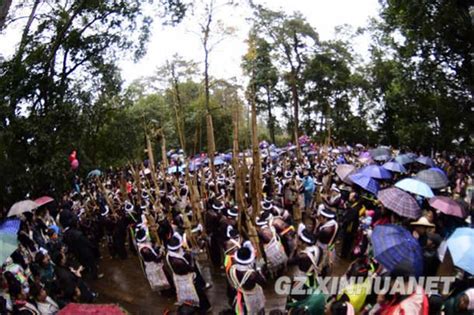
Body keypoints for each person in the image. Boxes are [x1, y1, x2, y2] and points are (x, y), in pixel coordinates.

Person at [165, 233, 211, 313]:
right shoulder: (178, 261)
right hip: (187, 279)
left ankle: (193, 307)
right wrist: (191, 258)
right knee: (198, 294)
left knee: (186, 295)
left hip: (179, 279)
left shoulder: (169, 255)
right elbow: (190, 268)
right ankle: (203, 309)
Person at [227, 241, 266, 315]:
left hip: (240, 296)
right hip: (252, 299)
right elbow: (264, 284)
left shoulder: (232, 269)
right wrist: (259, 270)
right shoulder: (252, 274)